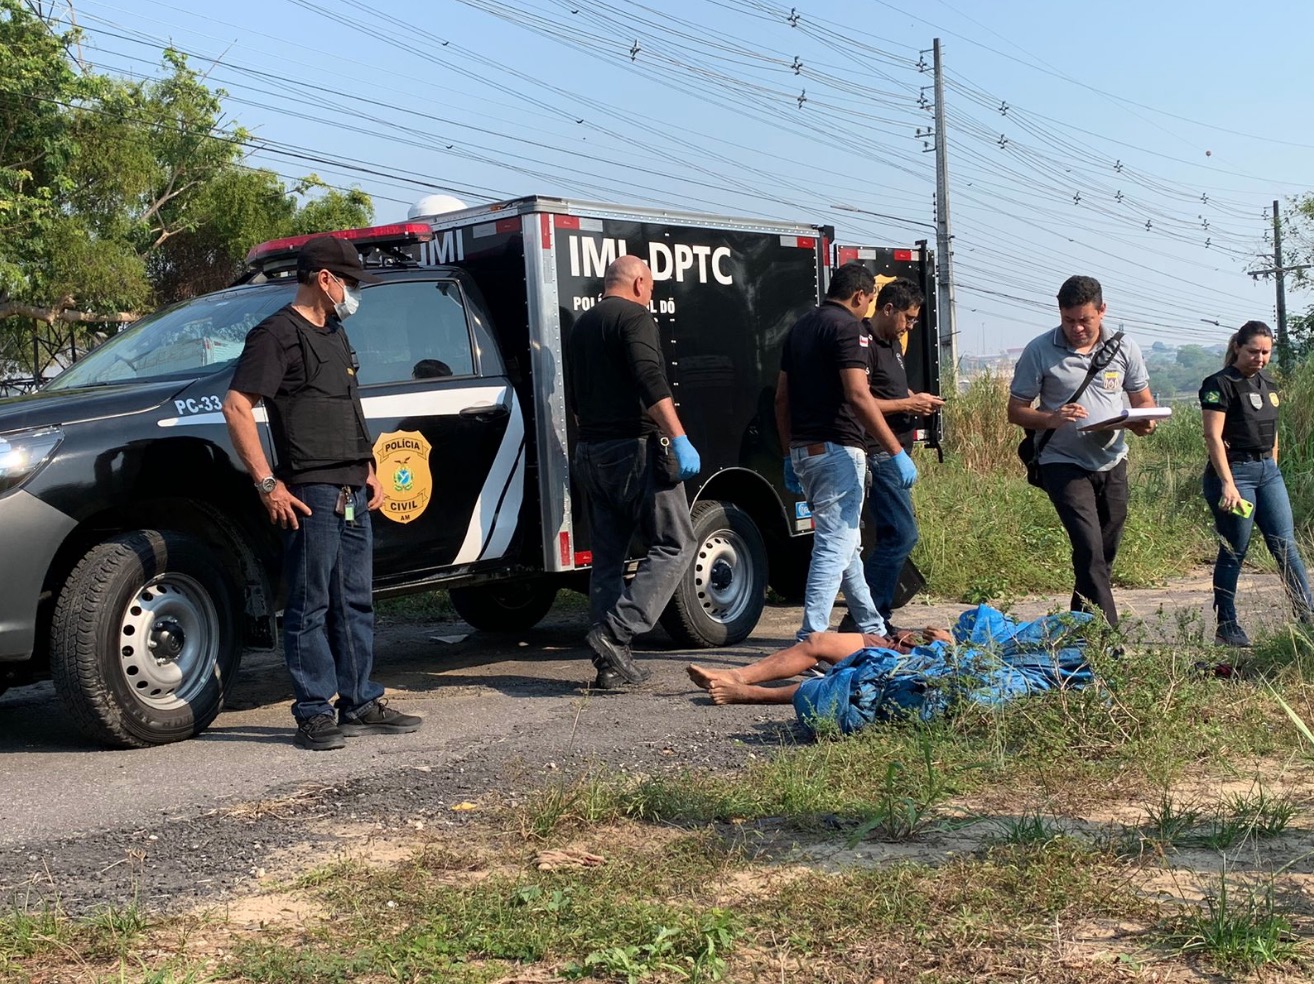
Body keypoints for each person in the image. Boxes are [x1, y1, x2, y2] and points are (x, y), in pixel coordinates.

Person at [222, 236, 422, 751]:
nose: (354, 293)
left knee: (354, 601)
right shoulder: (275, 335)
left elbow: (346, 406)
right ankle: (313, 712)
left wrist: (369, 467)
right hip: (310, 490)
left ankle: (360, 702)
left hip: (354, 486)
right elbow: (237, 407)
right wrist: (268, 484)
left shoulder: (334, 332)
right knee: (310, 606)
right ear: (324, 280)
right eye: (349, 282)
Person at [566, 254, 700, 689]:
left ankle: (609, 665)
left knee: (608, 559)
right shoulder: (635, 318)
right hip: (634, 450)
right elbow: (650, 378)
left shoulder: (582, 326)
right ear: (639, 283)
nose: (653, 292)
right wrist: (678, 436)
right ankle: (615, 632)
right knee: (677, 543)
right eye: (653, 285)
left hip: (591, 452)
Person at [775, 261, 918, 643]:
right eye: (869, 301)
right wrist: (896, 451)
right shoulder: (848, 328)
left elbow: (781, 399)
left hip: (806, 451)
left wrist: (790, 453)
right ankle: (812, 640)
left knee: (848, 543)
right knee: (833, 544)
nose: (868, 308)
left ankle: (870, 626)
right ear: (860, 295)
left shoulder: (800, 328)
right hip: (838, 448)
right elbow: (858, 395)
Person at [1007, 275, 1158, 627]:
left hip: (1112, 459)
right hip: (1062, 461)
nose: (1076, 328)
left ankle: (1077, 628)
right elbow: (1016, 410)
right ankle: (1108, 637)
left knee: (1103, 553)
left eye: (1085, 320)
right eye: (1069, 320)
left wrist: (1143, 421)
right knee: (1088, 548)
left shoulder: (1125, 348)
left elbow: (1143, 401)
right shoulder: (1039, 350)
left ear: (1102, 311)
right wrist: (1051, 417)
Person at [1200, 321, 1314, 646]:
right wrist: (1228, 483)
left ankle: (1307, 616)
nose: (1260, 358)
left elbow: (1272, 434)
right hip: (1234, 475)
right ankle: (1227, 625)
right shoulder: (1219, 384)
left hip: (1267, 472)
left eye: (1266, 352)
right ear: (1238, 346)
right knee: (1234, 550)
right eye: (1254, 351)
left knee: (1286, 546)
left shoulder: (1269, 385)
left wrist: (1271, 470)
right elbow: (1213, 436)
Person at [859, 277, 943, 630]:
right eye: (907, 318)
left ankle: (872, 616)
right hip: (880, 452)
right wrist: (907, 402)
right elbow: (861, 399)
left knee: (896, 533)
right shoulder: (864, 343)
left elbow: (887, 388)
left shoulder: (892, 344)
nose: (910, 326)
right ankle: (869, 617)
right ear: (888, 308)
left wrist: (913, 398)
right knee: (902, 535)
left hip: (896, 450)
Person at [688, 625, 950, 705]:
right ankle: (737, 675)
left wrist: (951, 646)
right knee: (817, 641)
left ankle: (748, 694)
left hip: (922, 664)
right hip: (901, 643)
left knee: (851, 680)